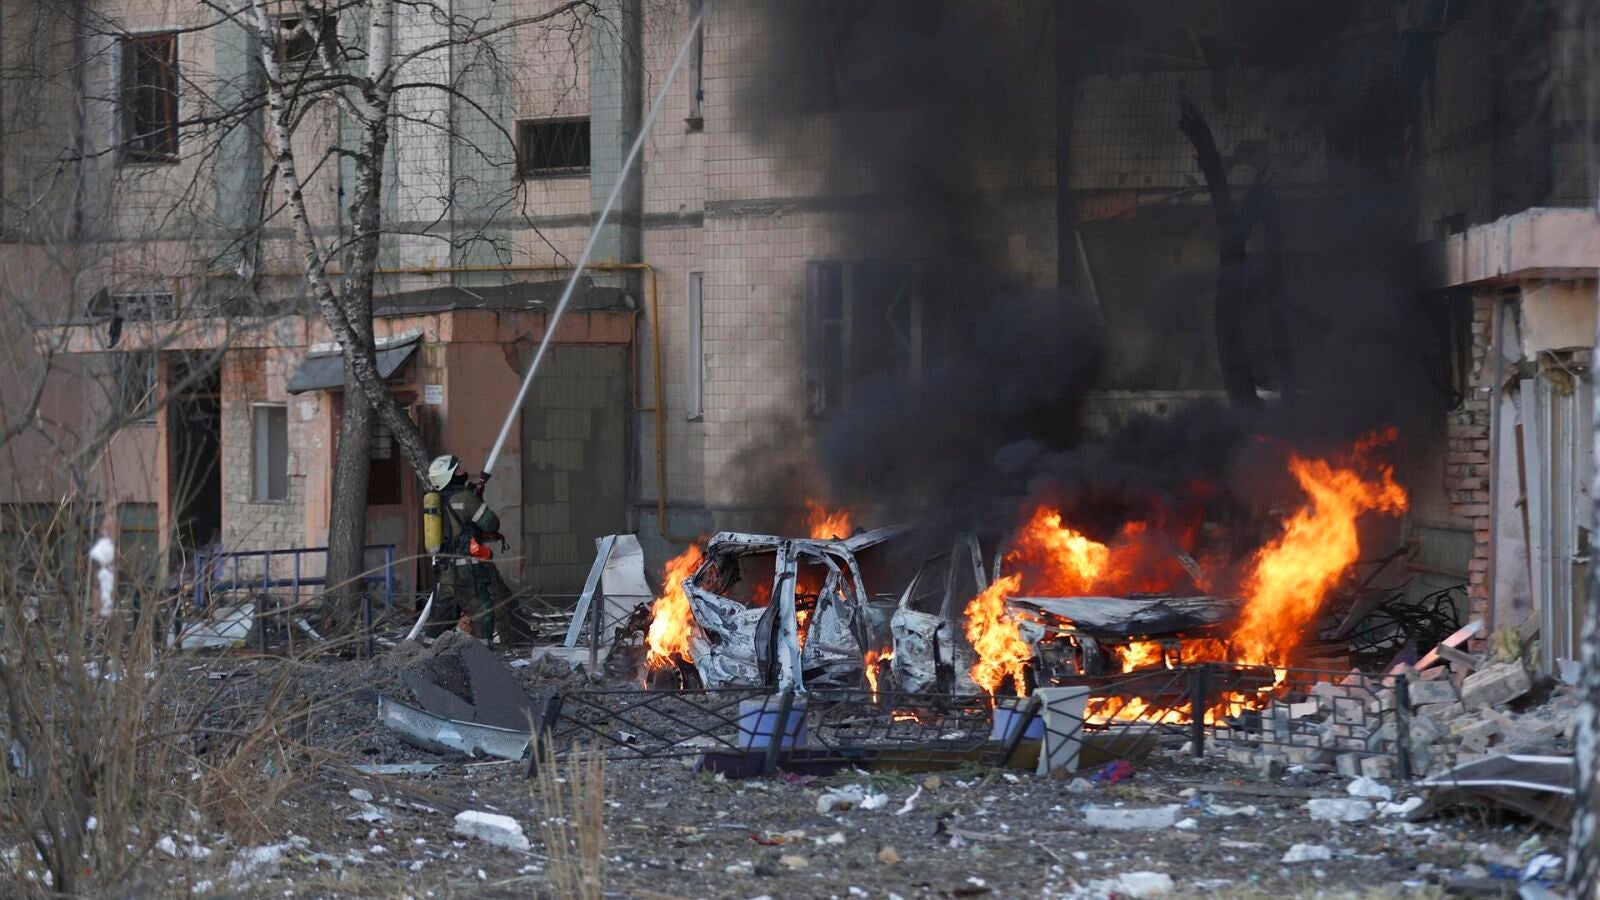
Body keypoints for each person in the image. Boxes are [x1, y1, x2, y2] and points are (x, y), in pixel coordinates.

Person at [426, 454, 505, 644]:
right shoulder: (465, 498)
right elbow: (491, 523)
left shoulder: (436, 501)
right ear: (449, 476)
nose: (463, 471)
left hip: (446, 572)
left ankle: (426, 653)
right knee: (482, 613)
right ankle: (483, 656)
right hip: (467, 573)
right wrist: (477, 500)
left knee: (443, 616)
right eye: (457, 469)